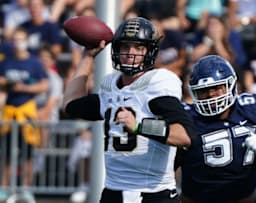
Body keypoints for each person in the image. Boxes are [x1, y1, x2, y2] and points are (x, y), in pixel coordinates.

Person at [62, 17, 195, 203]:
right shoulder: (111, 86)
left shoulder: (157, 83)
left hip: (153, 193)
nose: (130, 53)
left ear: (150, 51)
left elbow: (184, 136)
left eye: (138, 48)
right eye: (125, 47)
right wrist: (87, 57)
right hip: (113, 192)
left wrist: (140, 127)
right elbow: (70, 104)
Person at [175, 55, 256, 203]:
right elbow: (164, 170)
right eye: (203, 91)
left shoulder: (251, 108)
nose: (211, 95)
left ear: (231, 85)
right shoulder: (186, 118)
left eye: (217, 88)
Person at [0, 27, 48, 201]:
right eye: (15, 39)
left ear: (27, 41)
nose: (17, 43)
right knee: (5, 154)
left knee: (27, 154)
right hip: (9, 112)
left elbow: (44, 85)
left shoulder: (34, 63)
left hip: (26, 111)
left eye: (21, 39)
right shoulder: (5, 62)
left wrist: (24, 88)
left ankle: (27, 188)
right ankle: (4, 187)